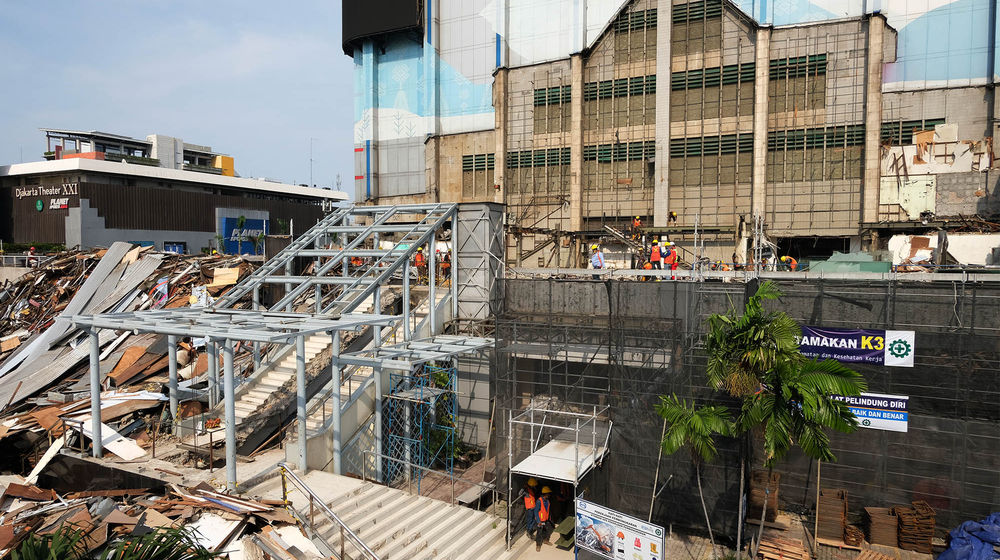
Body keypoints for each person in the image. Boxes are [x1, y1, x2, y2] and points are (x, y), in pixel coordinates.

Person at [535, 486, 553, 551]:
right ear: (545, 494)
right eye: (548, 493)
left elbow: (547, 510)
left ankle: (546, 540)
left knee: (547, 530)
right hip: (540, 520)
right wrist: (538, 521)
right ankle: (538, 545)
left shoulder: (547, 501)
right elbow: (536, 511)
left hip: (546, 519)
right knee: (539, 533)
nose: (549, 494)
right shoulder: (539, 501)